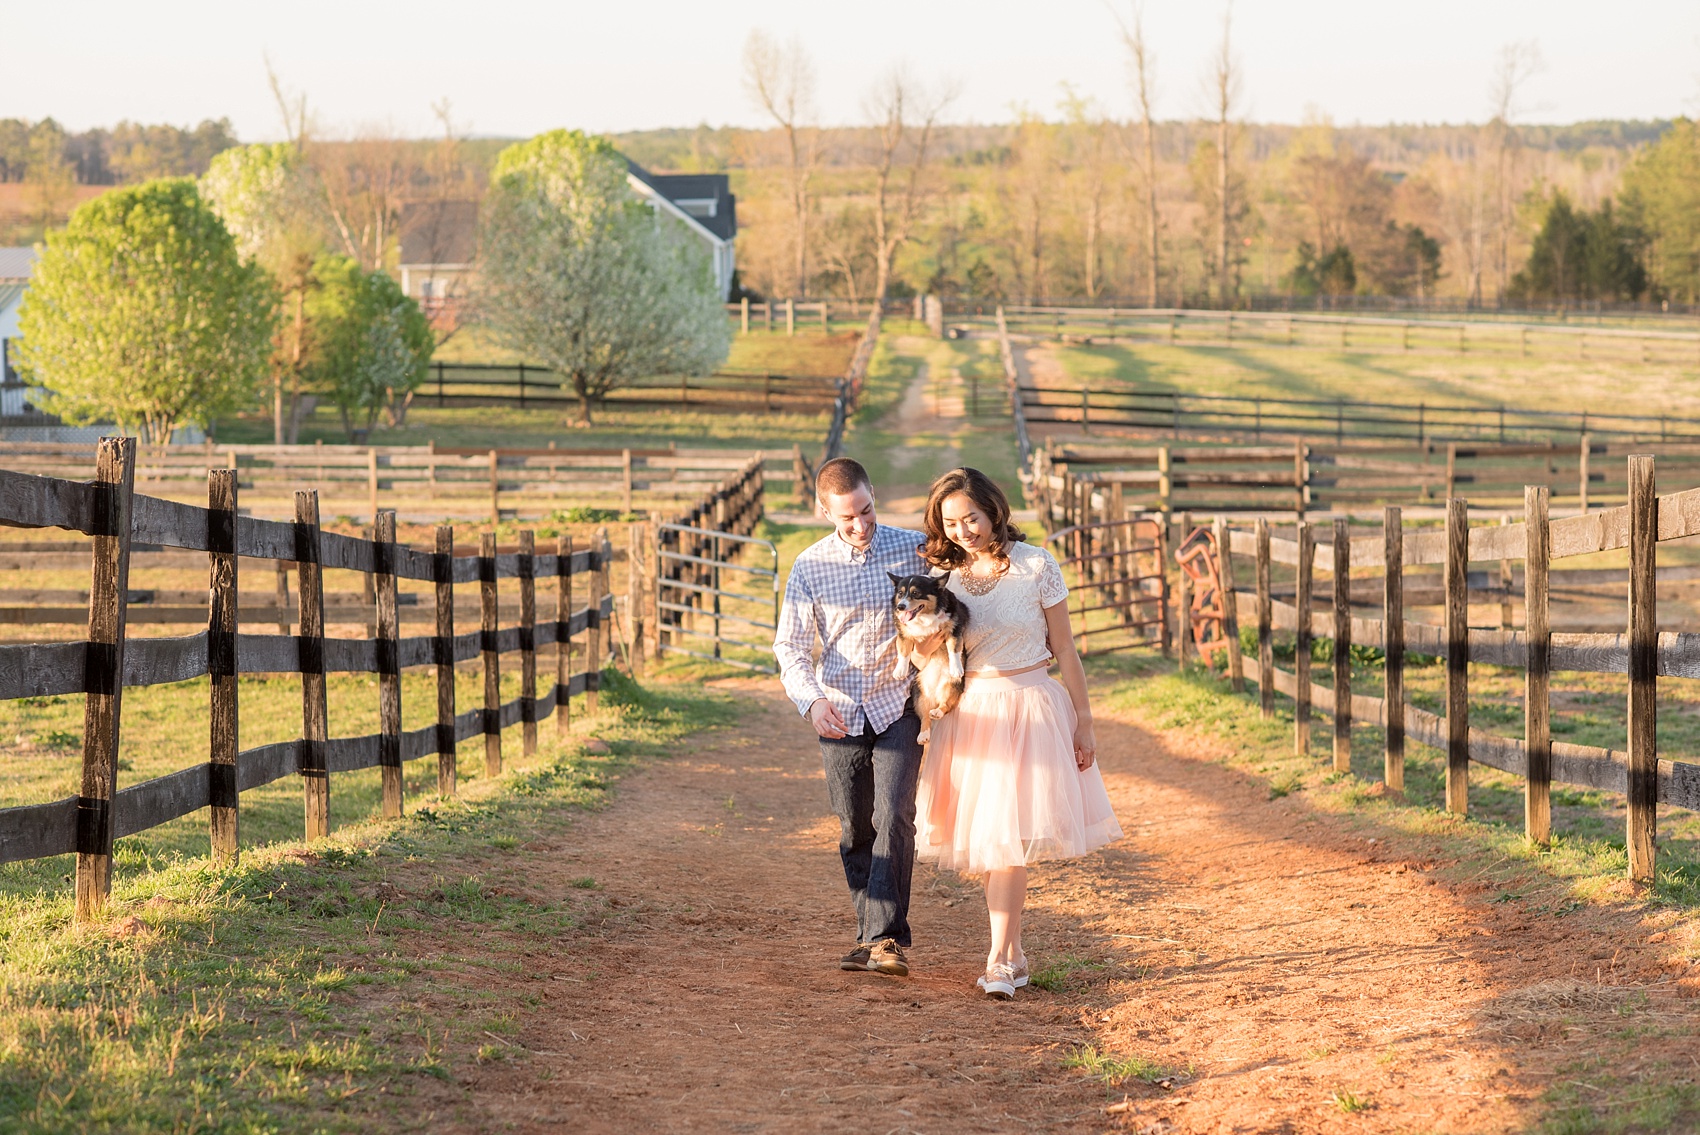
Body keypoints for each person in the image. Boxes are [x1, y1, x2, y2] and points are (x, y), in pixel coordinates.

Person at [914, 467, 1123, 999]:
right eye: (952, 523)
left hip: (1029, 708)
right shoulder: (946, 580)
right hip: (971, 717)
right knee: (989, 843)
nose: (964, 531)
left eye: (972, 518)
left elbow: (1067, 650)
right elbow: (931, 656)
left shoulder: (1036, 566)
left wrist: (1085, 721)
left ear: (994, 510)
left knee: (1005, 844)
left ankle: (1000, 959)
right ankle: (1015, 951)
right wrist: (921, 648)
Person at [774, 457, 928, 977]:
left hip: (898, 704)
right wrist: (812, 701)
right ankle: (870, 936)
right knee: (853, 825)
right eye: (847, 519)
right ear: (824, 512)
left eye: (866, 511)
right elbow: (791, 648)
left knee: (895, 816)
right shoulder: (809, 566)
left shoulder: (913, 548)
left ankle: (886, 939)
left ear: (872, 494)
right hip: (839, 712)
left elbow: (963, 587)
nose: (860, 526)